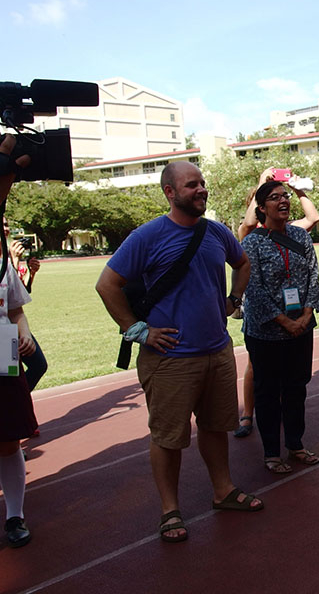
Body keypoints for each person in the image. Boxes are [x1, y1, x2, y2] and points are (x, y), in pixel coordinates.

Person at [95, 161, 263, 544]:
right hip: (170, 358)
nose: (201, 190)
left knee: (216, 426)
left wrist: (233, 299)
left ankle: (223, 491)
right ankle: (170, 510)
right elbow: (107, 285)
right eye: (191, 185)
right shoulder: (147, 236)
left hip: (217, 352)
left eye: (202, 184)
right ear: (170, 192)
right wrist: (137, 330)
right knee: (168, 437)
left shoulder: (216, 232)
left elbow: (242, 263)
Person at [241, 179, 319, 474]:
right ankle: (272, 451)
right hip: (266, 333)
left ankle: (296, 444)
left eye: (285, 196)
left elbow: (313, 277)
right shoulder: (252, 242)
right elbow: (254, 289)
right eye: (275, 198)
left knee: (296, 387)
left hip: (301, 328)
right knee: (267, 391)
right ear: (261, 208)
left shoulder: (301, 237)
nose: (283, 201)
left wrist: (304, 317)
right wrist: (284, 320)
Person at [0, 135, 36, 548]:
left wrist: (23, 334)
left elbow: (16, 309)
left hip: (3, 351)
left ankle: (15, 516)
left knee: (9, 438)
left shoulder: (3, 264)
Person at [3, 217, 48, 394]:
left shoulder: (8, 256)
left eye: (7, 224)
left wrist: (31, 272)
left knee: (35, 367)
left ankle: (20, 403)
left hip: (7, 330)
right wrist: (13, 261)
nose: (5, 229)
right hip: (5, 332)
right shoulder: (7, 259)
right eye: (2, 224)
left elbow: (17, 297)